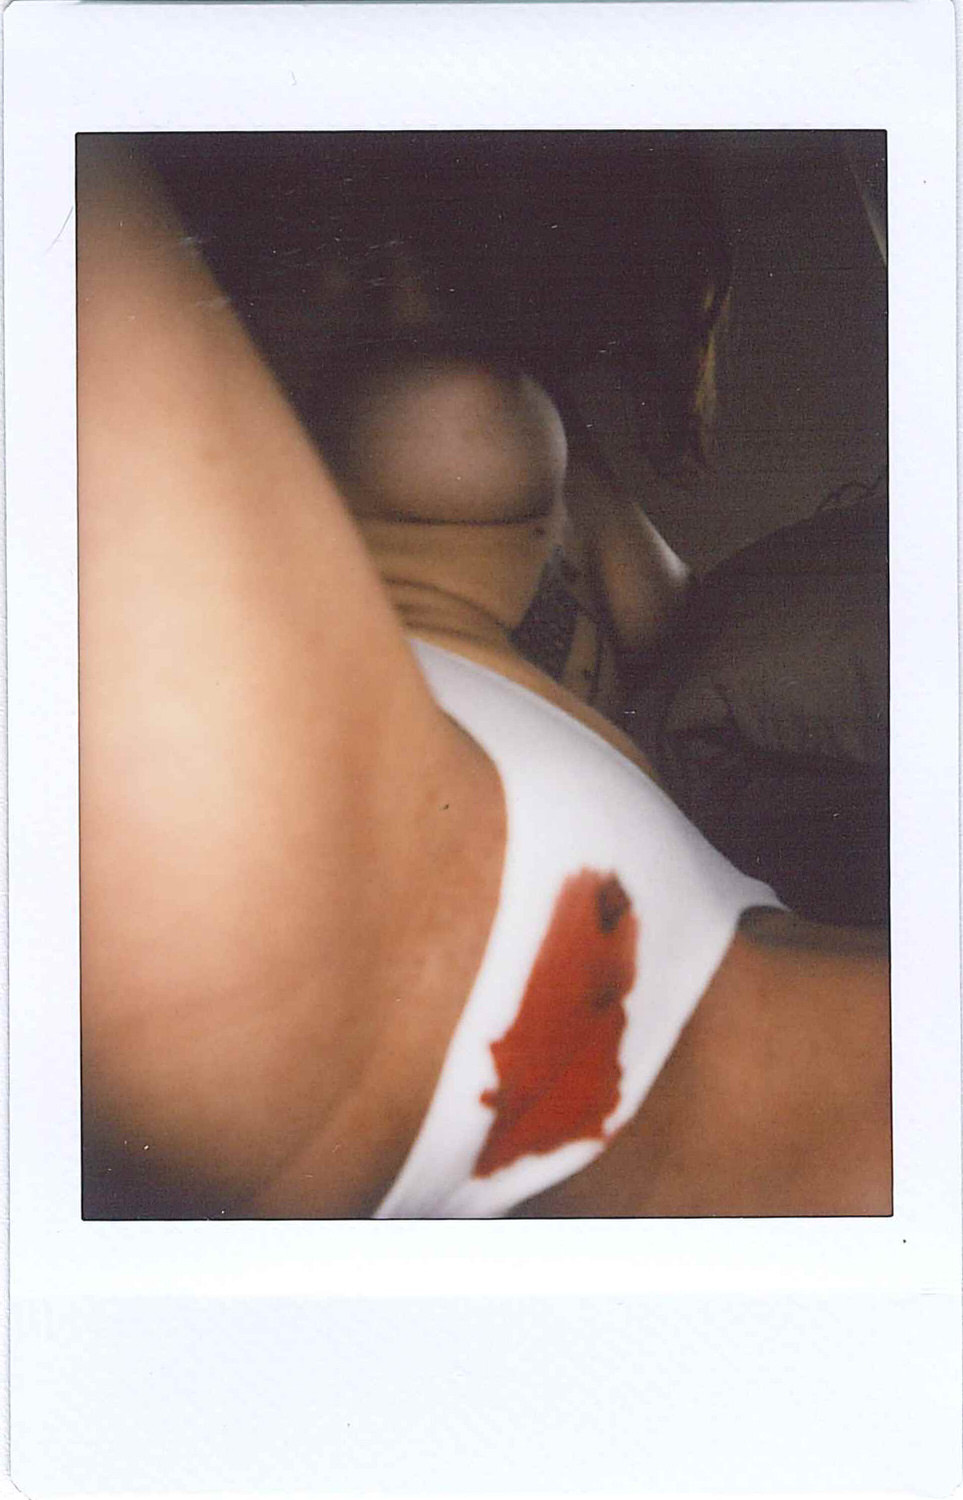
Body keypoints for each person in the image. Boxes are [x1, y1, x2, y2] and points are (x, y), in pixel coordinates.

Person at [79, 135, 890, 1221]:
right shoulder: (465, 429)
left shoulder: (489, 451)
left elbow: (690, 625)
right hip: (447, 893)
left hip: (445, 925)